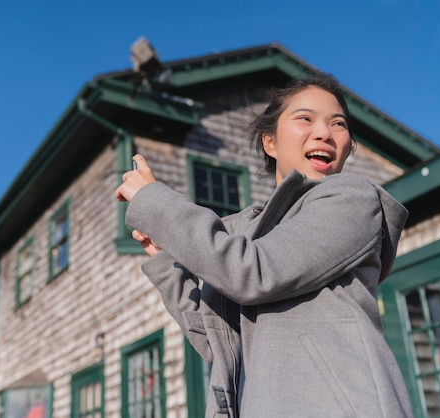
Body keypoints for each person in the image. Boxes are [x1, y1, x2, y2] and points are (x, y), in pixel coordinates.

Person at [115, 72, 414, 417]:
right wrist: (165, 261)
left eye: (338, 124)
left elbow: (251, 273)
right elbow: (220, 343)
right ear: (270, 142)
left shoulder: (351, 199)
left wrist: (155, 201)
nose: (324, 133)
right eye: (305, 118)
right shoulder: (249, 232)